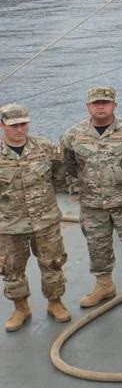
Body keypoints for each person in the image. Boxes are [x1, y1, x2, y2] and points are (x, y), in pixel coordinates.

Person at [61, 86, 122, 308]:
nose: (100, 106)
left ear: (114, 106)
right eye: (95, 103)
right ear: (88, 106)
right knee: (97, 245)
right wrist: (77, 187)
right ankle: (104, 284)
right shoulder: (73, 135)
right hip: (92, 204)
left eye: (105, 102)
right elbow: (68, 165)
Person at [1, 103, 71, 331]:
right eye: (14, 126)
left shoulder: (46, 148)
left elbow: (59, 177)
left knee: (52, 263)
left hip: (45, 220)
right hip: (9, 224)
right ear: (2, 125)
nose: (19, 130)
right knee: (11, 268)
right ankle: (21, 308)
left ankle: (55, 302)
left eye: (23, 124)